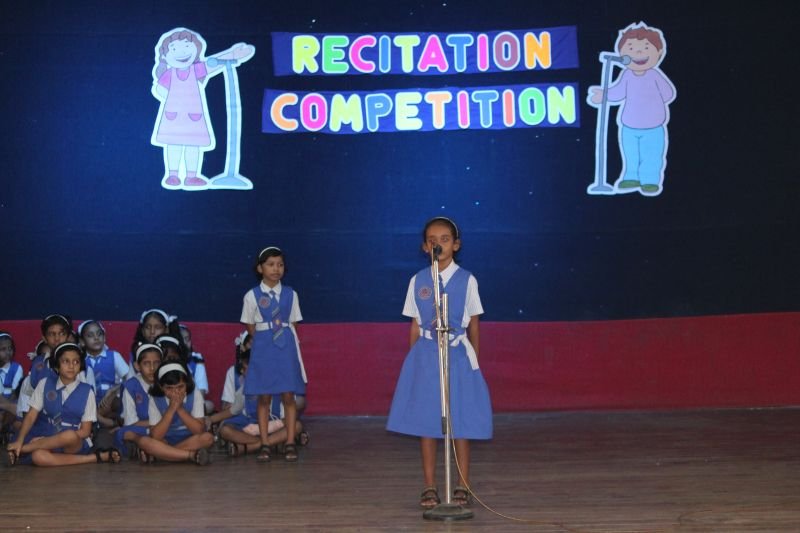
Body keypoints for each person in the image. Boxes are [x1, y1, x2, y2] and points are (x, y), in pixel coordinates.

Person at [386, 216, 493, 508]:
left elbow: (474, 325)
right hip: (426, 355)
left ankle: (463, 484)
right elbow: (414, 325)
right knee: (428, 421)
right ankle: (430, 485)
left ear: (456, 245)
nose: (438, 245)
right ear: (425, 247)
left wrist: (474, 363)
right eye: (432, 241)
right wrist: (415, 362)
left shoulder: (467, 280)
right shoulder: (418, 281)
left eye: (445, 240)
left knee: (460, 422)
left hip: (457, 356)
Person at [587, 23, 676, 196]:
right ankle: (631, 177)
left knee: (652, 154)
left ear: (658, 53)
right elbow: (618, 92)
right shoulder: (627, 75)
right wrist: (603, 95)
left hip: (653, 127)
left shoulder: (654, 75)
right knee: (630, 154)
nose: (638, 52)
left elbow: (668, 94)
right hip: (629, 126)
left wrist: (653, 104)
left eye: (645, 48)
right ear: (622, 54)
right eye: (631, 48)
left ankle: (650, 180)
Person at [240, 246, 307, 462]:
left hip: (285, 348)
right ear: (260, 268)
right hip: (263, 349)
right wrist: (265, 339)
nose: (276, 269)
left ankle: (290, 442)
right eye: (270, 264)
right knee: (264, 396)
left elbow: (293, 322)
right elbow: (250, 325)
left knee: (288, 395)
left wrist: (282, 338)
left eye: (280, 265)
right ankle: (265, 443)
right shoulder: (251, 295)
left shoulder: (291, 294)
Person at [5, 343, 120, 466]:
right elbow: (31, 415)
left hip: (73, 441)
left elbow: (85, 431)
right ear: (57, 365)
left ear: (80, 365)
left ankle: (23, 449)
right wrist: (20, 440)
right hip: (44, 432)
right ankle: (95, 457)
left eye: (76, 362)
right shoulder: (44, 383)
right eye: (66, 361)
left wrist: (51, 440)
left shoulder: (87, 391)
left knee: (69, 435)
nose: (71, 366)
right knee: (38, 456)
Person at [206, 349, 307, 457]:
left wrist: (272, 426)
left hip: (272, 424)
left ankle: (252, 447)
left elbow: (288, 416)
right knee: (225, 430)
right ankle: (269, 443)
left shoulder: (279, 386)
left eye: (246, 369)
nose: (243, 372)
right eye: (242, 369)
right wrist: (210, 419)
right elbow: (233, 410)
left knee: (297, 426)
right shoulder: (244, 389)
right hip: (249, 424)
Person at [135, 362, 213, 465]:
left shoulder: (194, 394)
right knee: (143, 441)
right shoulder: (155, 398)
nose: (176, 392)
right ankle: (191, 455)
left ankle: (162, 455)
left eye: (180, 387)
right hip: (165, 440)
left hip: (189, 439)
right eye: (169, 388)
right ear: (161, 387)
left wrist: (180, 409)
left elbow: (199, 430)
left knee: (208, 438)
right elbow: (156, 436)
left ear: (186, 384)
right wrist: (171, 409)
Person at [115, 343, 162, 458]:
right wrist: (157, 424)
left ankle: (147, 450)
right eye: (146, 363)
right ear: (137, 366)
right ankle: (151, 448)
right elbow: (131, 422)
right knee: (126, 433)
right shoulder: (130, 386)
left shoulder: (167, 384)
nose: (152, 368)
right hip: (142, 429)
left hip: (164, 427)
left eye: (156, 363)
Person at [78, 320, 129, 427]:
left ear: (104, 338)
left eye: (99, 334)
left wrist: (113, 390)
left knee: (119, 402)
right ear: (82, 342)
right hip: (90, 402)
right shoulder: (80, 361)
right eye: (90, 335)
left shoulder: (114, 356)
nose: (96, 338)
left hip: (111, 399)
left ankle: (107, 422)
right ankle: (104, 422)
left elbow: (130, 379)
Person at [179, 324, 213, 414]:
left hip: (191, 404)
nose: (184, 343)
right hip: (170, 403)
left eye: (187, 339)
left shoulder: (196, 360)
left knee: (209, 405)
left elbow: (201, 393)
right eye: (181, 339)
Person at [0, 332, 23, 442]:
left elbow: (15, 394)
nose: (8, 352)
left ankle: (4, 429)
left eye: (10, 348)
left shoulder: (16, 368)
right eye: (3, 349)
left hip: (10, 405)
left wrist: (4, 407)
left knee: (17, 408)